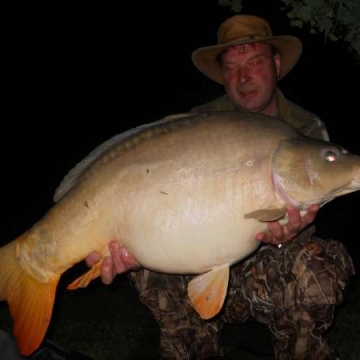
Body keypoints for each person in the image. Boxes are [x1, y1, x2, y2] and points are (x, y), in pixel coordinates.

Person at [86, 15, 355, 360]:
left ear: (276, 65)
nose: (243, 78)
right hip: (199, 262)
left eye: (255, 62)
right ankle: (193, 348)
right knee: (149, 273)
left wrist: (290, 233)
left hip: (270, 272)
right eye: (231, 67)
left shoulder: (306, 129)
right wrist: (129, 247)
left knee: (321, 267)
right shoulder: (200, 122)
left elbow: (303, 208)